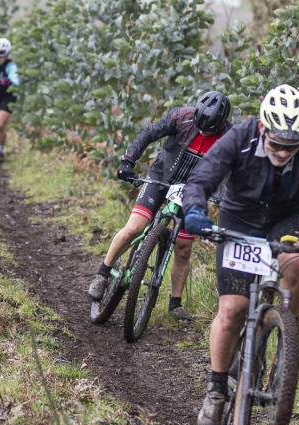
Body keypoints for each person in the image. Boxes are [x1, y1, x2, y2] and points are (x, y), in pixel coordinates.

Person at [180, 84, 299, 425]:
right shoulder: (241, 136)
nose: (284, 152)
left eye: (291, 146)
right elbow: (204, 176)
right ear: (264, 128)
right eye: (277, 144)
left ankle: (287, 334)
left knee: (296, 263)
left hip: (286, 218)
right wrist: (194, 208)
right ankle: (217, 387)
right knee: (232, 309)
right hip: (241, 217)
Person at [86, 91, 232, 321]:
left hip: (195, 191)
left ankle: (175, 304)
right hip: (162, 178)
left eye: (209, 129)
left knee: (184, 247)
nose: (203, 132)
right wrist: (128, 160)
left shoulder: (230, 136)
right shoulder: (181, 117)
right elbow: (148, 134)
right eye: (200, 125)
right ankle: (102, 274)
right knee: (134, 228)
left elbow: (237, 167)